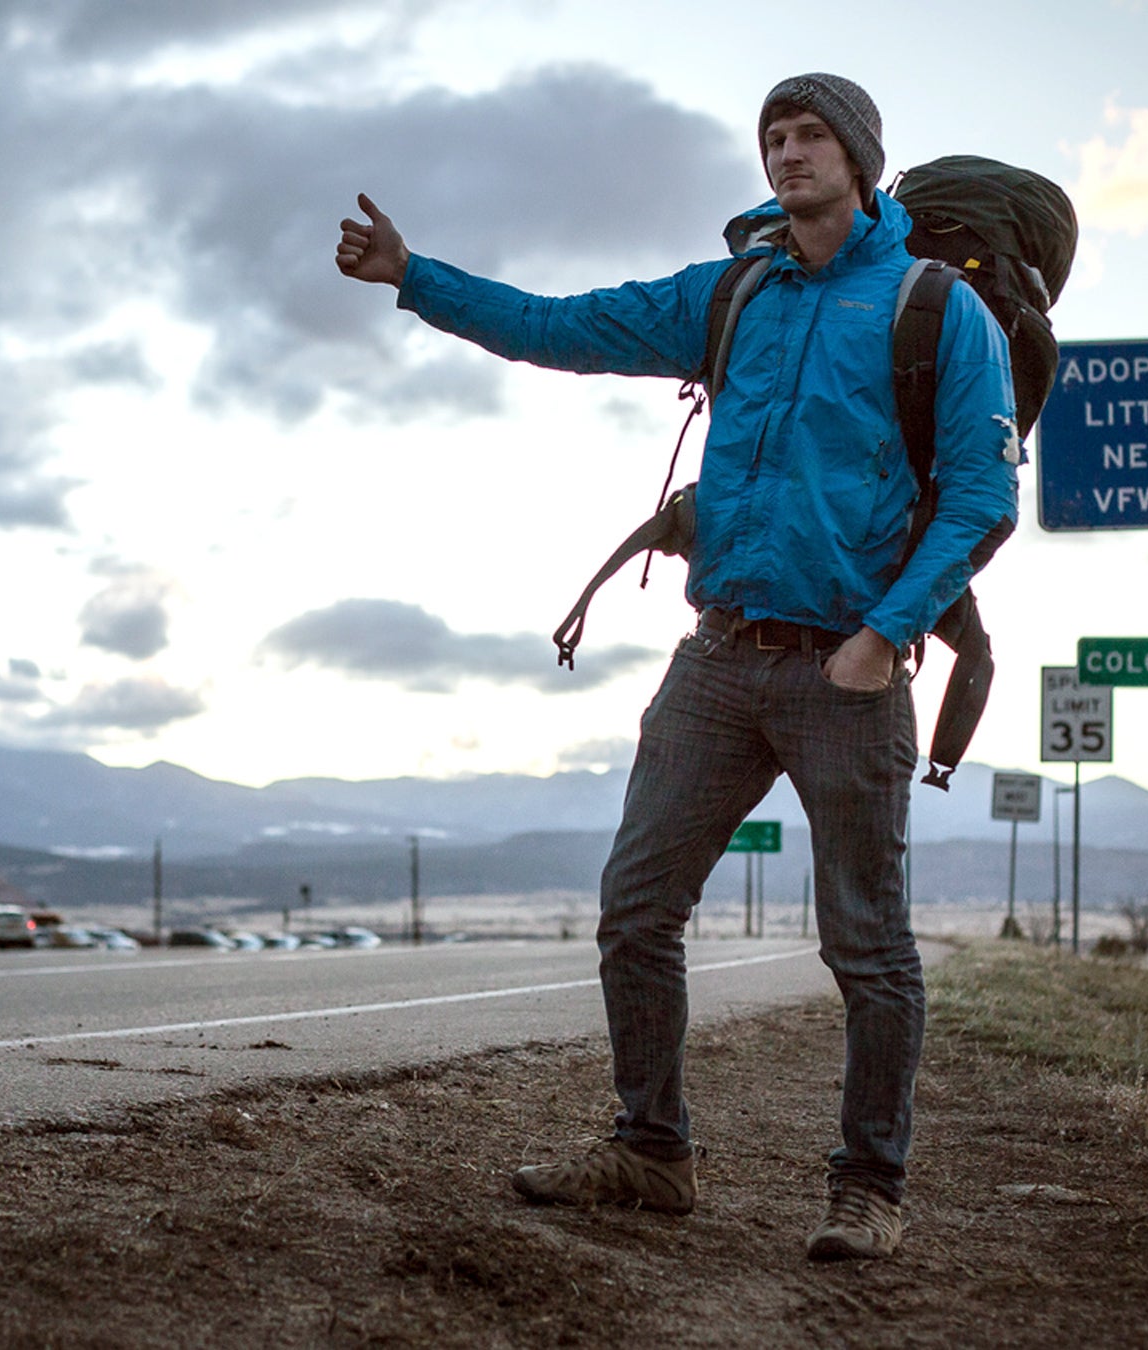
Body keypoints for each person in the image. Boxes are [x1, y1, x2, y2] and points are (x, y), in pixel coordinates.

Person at [334, 73, 1017, 1261]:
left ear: (860, 157)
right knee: (635, 909)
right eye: (774, 137)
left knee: (867, 944)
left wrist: (886, 629)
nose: (788, 153)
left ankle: (869, 1187)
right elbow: (569, 327)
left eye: (810, 136)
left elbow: (981, 501)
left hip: (846, 672)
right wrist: (414, 276)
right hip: (717, 660)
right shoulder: (734, 294)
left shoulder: (934, 312)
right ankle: (651, 1155)